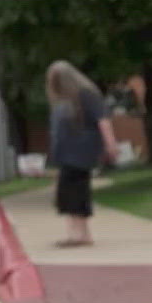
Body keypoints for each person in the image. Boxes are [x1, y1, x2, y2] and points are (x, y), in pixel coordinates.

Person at [45, 60, 116, 247]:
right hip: (68, 153)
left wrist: (110, 145)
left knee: (73, 191)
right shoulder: (65, 99)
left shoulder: (86, 95)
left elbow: (103, 121)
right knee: (72, 191)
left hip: (80, 152)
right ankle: (80, 233)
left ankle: (78, 235)